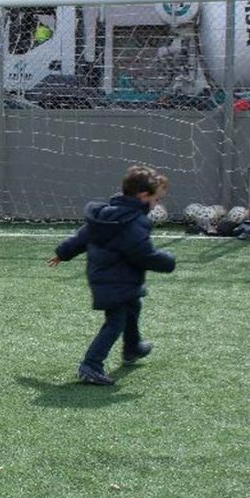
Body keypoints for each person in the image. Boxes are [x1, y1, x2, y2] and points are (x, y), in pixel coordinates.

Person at [49, 165, 176, 386]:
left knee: (133, 308)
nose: (157, 204)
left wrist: (63, 252)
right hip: (116, 282)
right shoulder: (133, 223)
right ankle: (91, 364)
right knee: (116, 321)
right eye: (156, 200)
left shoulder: (106, 214)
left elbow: (82, 237)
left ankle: (132, 348)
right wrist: (167, 261)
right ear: (143, 196)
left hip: (108, 278)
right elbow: (143, 254)